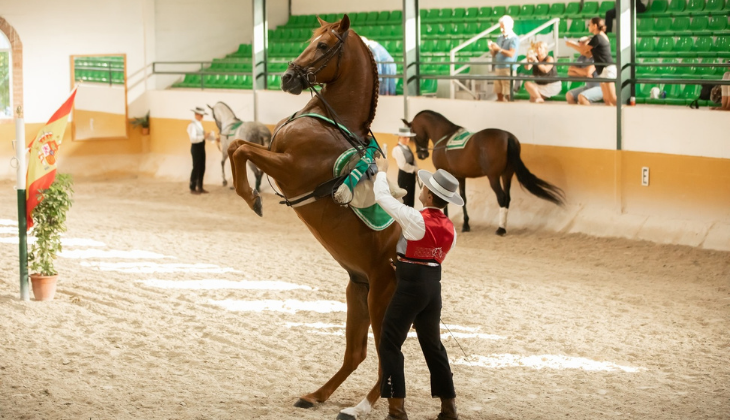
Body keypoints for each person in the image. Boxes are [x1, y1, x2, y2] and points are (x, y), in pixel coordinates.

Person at [373, 153, 463, 420]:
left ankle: (397, 410)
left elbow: (383, 199)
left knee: (389, 342)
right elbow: (432, 256)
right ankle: (449, 408)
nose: (422, 190)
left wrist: (382, 171)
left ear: (431, 197)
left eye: (424, 189)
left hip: (411, 288)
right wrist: (404, 265)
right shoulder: (451, 229)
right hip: (433, 288)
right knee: (433, 345)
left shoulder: (416, 218)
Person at [567, 18, 616, 106]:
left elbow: (583, 50)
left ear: (595, 26)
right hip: (602, 70)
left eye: (589, 24)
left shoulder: (598, 37)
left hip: (607, 69)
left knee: (612, 97)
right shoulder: (601, 36)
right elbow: (587, 52)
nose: (588, 26)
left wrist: (571, 44)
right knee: (607, 99)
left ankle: (624, 115)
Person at [489, 15, 520, 102]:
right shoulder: (499, 37)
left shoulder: (514, 39)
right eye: (501, 27)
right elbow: (494, 54)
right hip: (498, 67)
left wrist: (498, 49)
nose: (502, 29)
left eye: (504, 27)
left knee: (508, 93)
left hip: (508, 69)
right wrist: (492, 49)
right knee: (498, 91)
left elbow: (511, 54)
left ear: (511, 26)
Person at [564, 40, 604, 105]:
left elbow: (587, 71)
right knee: (569, 95)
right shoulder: (582, 57)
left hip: (601, 88)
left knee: (582, 97)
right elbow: (570, 72)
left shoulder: (597, 57)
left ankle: (588, 115)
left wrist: (575, 69)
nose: (581, 46)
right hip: (588, 87)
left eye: (583, 44)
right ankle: (577, 114)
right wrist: (584, 74)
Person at [188, 106, 213, 194]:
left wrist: (213, 138)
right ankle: (192, 187)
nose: (202, 117)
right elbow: (193, 139)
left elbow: (203, 135)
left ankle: (200, 186)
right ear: (197, 115)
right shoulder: (192, 125)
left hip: (201, 147)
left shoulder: (199, 125)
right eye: (201, 115)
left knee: (202, 167)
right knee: (196, 167)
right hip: (196, 147)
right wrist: (204, 137)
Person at [391, 127, 418, 207]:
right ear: (400, 137)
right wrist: (415, 169)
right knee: (405, 197)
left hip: (411, 175)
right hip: (405, 176)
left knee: (410, 196)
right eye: (405, 137)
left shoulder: (408, 148)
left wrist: (416, 170)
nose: (407, 139)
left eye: (408, 137)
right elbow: (402, 165)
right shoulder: (397, 149)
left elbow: (413, 160)